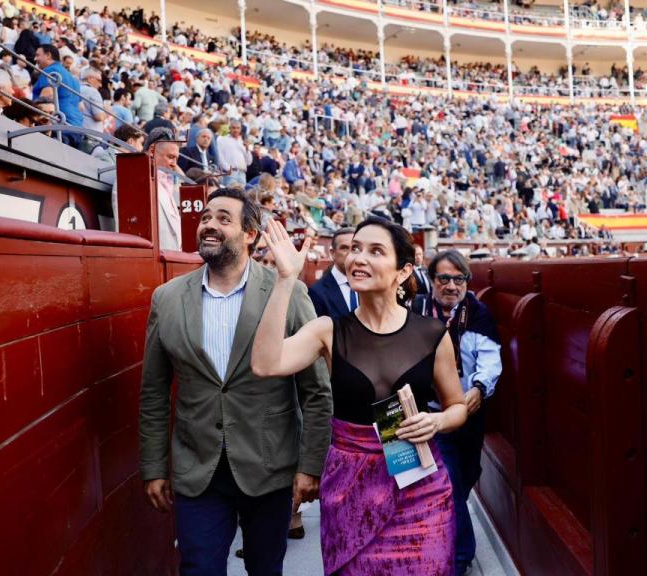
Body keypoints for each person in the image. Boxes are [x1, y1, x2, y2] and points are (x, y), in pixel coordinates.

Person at [252, 216, 467, 576]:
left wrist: (438, 420)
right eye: (355, 248)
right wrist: (286, 280)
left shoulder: (432, 333)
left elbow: (457, 406)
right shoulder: (328, 330)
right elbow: (265, 363)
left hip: (421, 491)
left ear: (403, 272)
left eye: (375, 251)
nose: (358, 258)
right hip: (350, 492)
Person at [140, 188, 332, 576]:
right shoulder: (167, 298)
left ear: (250, 234)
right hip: (198, 469)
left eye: (224, 218)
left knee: (266, 568)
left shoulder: (288, 291)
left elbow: (315, 391)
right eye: (206, 217)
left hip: (270, 464)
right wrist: (154, 466)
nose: (209, 225)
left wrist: (311, 465)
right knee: (199, 568)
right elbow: (154, 392)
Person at [413, 250, 501, 576]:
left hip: (467, 411)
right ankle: (459, 557)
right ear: (431, 280)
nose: (451, 286)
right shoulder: (418, 310)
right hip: (430, 413)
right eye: (443, 278)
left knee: (463, 480)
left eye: (458, 278)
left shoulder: (477, 314)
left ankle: (450, 540)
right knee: (447, 483)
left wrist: (479, 387)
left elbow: (489, 356)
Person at [31, 43, 83, 147]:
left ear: (48, 55)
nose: (35, 59)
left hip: (60, 128)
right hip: (77, 128)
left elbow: (46, 97)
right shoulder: (73, 78)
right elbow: (81, 107)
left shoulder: (51, 70)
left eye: (38, 55)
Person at [307, 227, 357, 319]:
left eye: (355, 248)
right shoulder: (317, 292)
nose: (351, 253)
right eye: (344, 248)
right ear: (332, 253)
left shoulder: (369, 285)